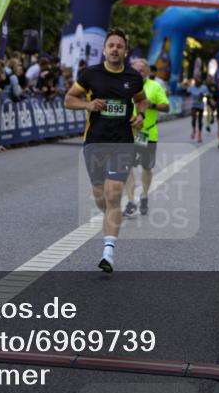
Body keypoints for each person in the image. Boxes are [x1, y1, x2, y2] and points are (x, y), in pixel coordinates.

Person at [64, 28, 146, 273]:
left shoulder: (133, 77)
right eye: (111, 45)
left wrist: (140, 114)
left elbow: (141, 99)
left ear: (125, 51)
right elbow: (69, 99)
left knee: (113, 193)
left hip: (122, 142)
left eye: (119, 46)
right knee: (101, 195)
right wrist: (88, 104)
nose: (115, 49)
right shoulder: (91, 74)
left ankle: (108, 252)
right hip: (95, 141)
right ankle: (111, 214)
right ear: (104, 49)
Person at [123, 59, 169, 218]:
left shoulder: (155, 87)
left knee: (146, 168)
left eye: (141, 70)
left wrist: (152, 105)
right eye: (135, 69)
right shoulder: (125, 84)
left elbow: (167, 107)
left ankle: (144, 195)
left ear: (148, 72)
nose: (138, 73)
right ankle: (130, 202)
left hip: (148, 134)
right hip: (128, 133)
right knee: (127, 167)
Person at [186, 76, 209, 143]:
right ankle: (194, 130)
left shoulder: (204, 88)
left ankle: (199, 135)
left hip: (201, 105)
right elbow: (186, 93)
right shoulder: (192, 88)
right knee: (193, 118)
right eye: (196, 81)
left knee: (200, 120)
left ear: (200, 82)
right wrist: (187, 92)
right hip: (194, 105)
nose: (197, 82)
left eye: (198, 81)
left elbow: (207, 95)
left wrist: (204, 96)